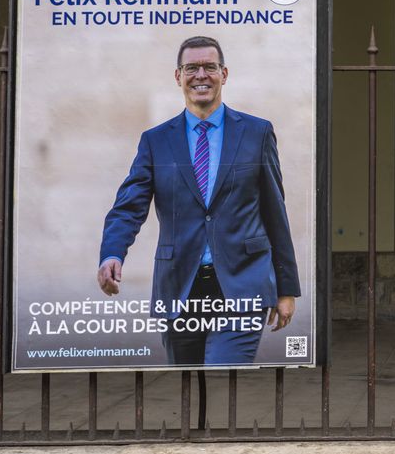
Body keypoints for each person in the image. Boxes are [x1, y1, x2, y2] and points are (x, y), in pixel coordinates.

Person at [97, 36, 300, 366]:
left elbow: (275, 212)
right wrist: (111, 253)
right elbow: (129, 207)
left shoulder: (257, 132)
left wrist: (286, 288)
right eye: (192, 68)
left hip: (243, 283)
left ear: (224, 73)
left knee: (224, 375)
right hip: (179, 286)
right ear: (178, 76)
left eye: (210, 67)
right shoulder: (156, 141)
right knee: (187, 384)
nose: (201, 75)